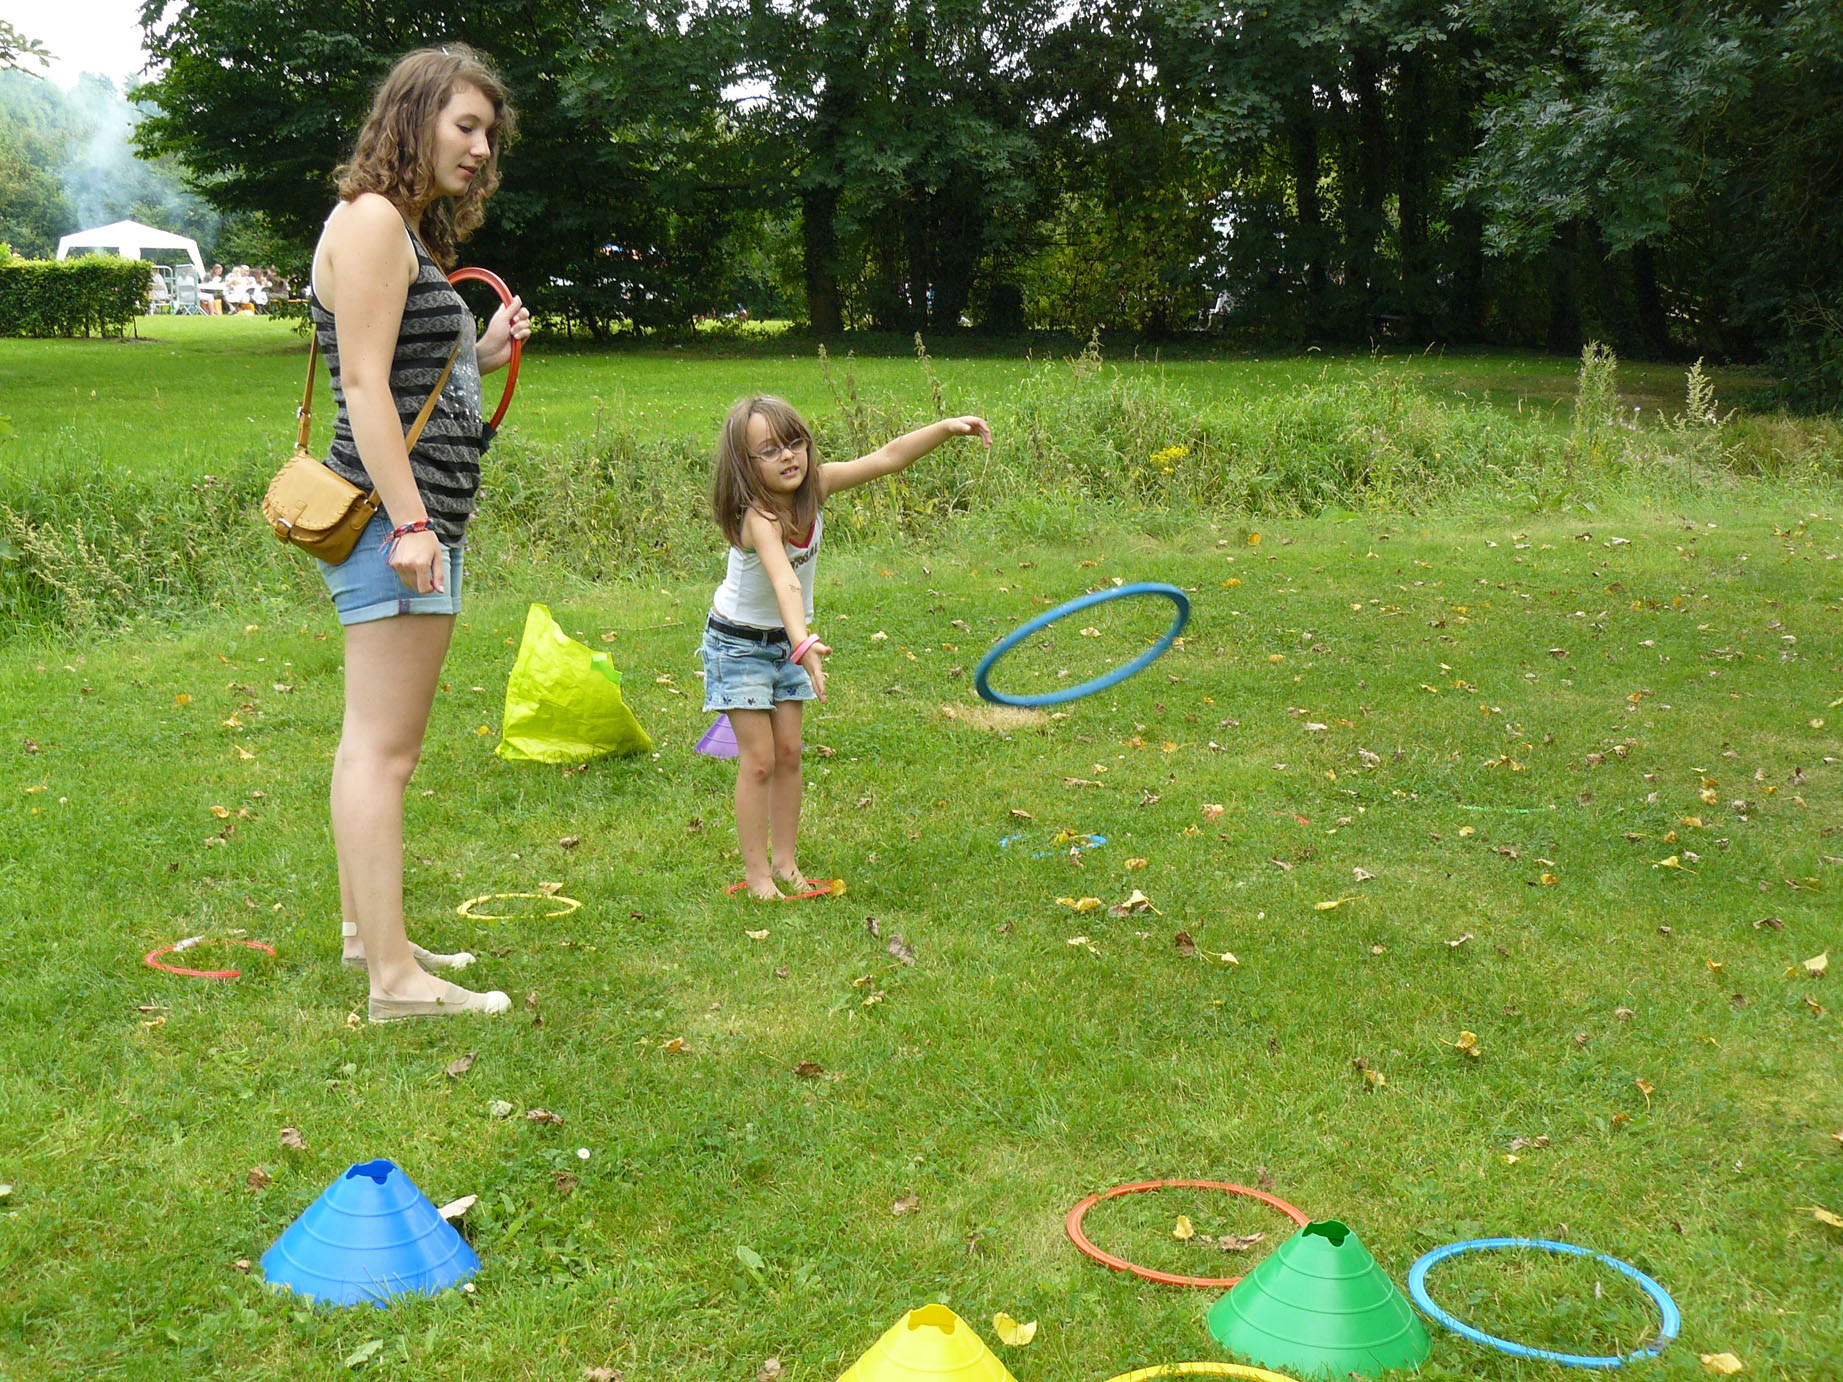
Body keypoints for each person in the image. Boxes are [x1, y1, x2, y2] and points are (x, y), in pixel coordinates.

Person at [307, 44, 530, 1020]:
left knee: (369, 744)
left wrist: (481, 351)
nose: (480, 149)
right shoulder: (369, 221)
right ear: (413, 117)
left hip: (411, 517)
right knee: (382, 752)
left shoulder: (396, 229)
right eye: (464, 125)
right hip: (393, 523)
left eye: (489, 134)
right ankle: (396, 983)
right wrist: (410, 521)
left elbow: (401, 371)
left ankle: (371, 938)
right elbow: (361, 387)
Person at [702, 397, 992, 900]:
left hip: (790, 641)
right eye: (769, 450)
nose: (788, 455)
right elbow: (785, 582)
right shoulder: (759, 519)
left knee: (789, 753)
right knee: (760, 760)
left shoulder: (817, 486)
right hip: (740, 644)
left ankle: (786, 864)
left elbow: (887, 457)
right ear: (745, 466)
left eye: (794, 442)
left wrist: (945, 428)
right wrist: (805, 644)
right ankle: (758, 878)